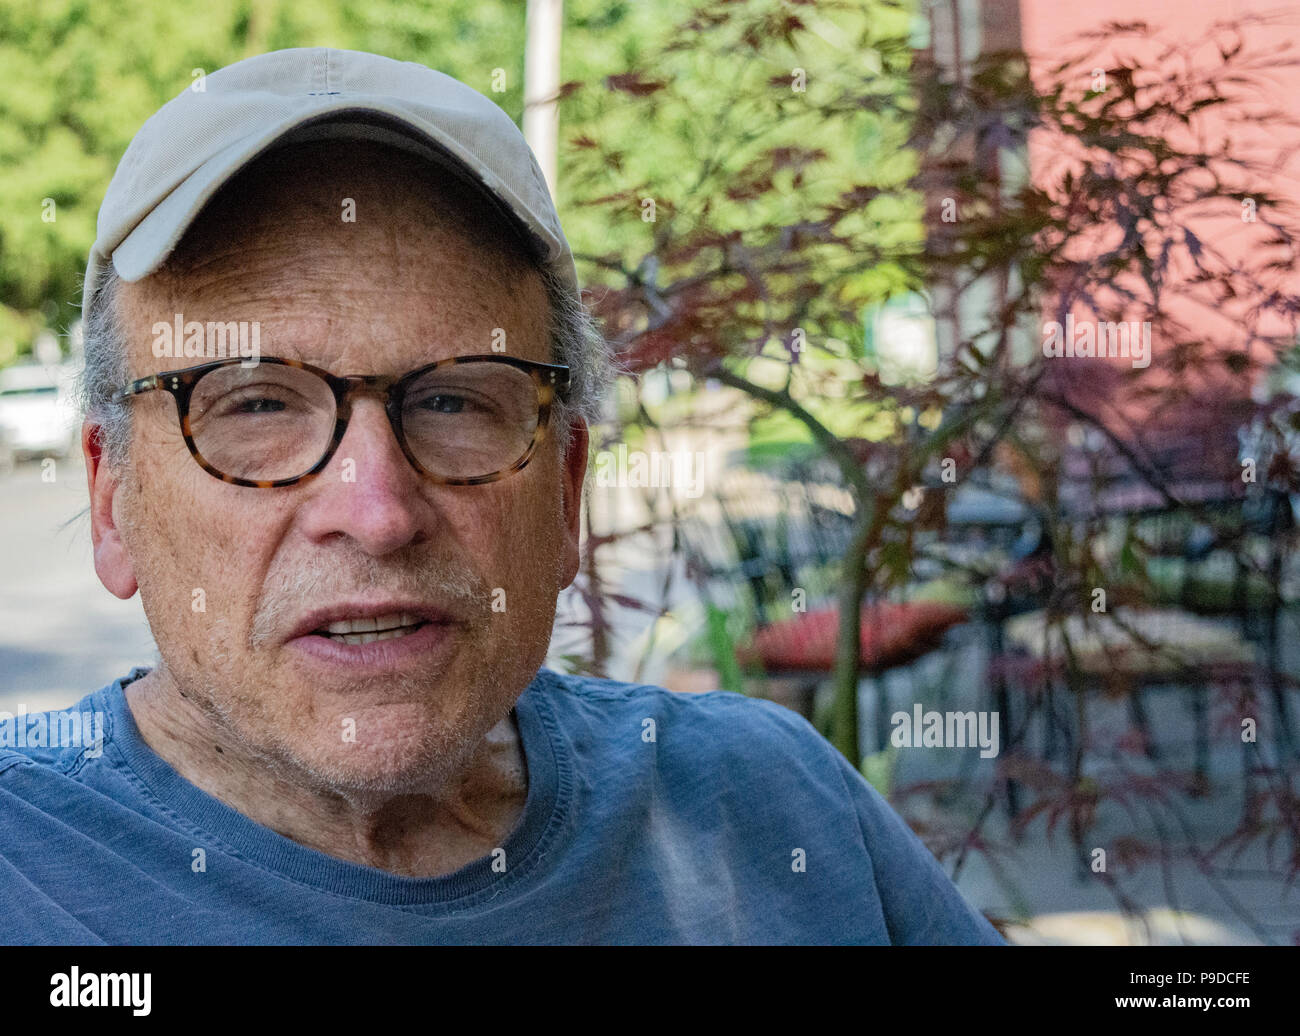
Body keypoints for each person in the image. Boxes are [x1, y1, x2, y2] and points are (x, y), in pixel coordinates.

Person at [0, 48, 1004, 945]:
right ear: (112, 499)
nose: (378, 510)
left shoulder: (770, 796)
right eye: (256, 404)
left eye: (451, 401)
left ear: (565, 489)